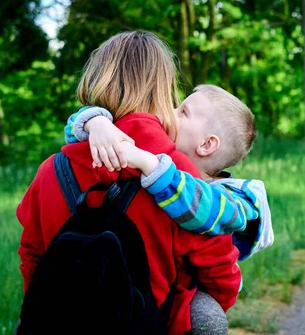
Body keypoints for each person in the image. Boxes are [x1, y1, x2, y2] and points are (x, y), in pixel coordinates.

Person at [16, 31, 242, 335]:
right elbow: (219, 268)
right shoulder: (176, 175)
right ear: (163, 89)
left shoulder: (51, 171)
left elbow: (32, 255)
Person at [65, 84, 274, 262]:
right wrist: (97, 124)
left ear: (207, 144)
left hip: (200, 294)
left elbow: (204, 208)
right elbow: (79, 137)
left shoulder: (232, 200)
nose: (169, 112)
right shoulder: (161, 158)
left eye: (183, 112)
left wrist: (150, 164)